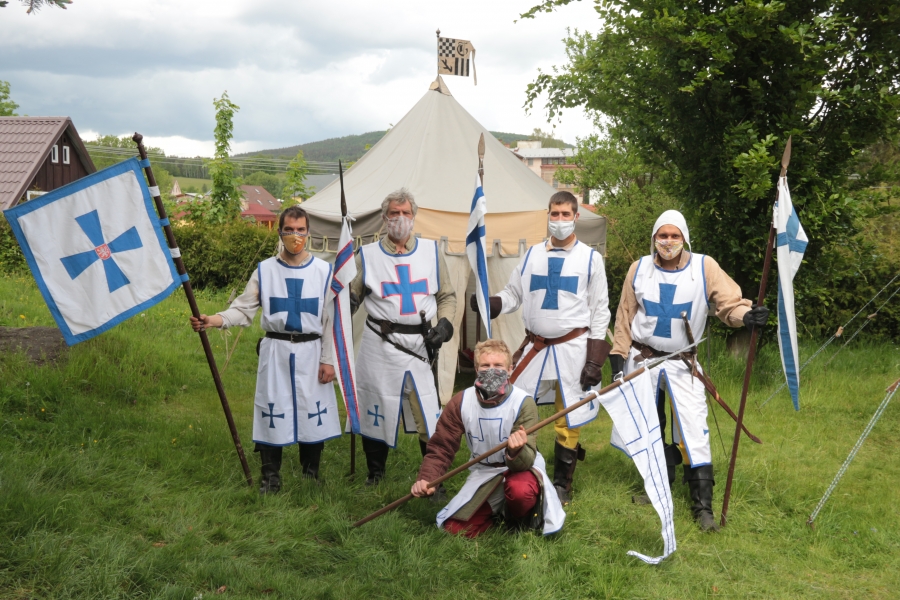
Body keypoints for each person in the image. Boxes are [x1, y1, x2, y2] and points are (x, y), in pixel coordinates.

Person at [608, 209, 769, 531]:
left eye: (674, 235)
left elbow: (728, 304)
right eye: (662, 235)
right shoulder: (638, 269)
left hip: (683, 362)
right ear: (654, 238)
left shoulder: (703, 267)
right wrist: (617, 357)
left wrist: (747, 317)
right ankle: (657, 487)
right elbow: (625, 315)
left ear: (684, 238)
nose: (668, 241)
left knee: (694, 428)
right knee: (649, 425)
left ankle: (702, 507)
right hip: (642, 360)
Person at [190, 206, 340, 494]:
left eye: (300, 230)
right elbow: (242, 309)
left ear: (308, 232)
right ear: (280, 232)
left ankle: (310, 475)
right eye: (289, 230)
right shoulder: (265, 270)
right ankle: (270, 479)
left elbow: (331, 321)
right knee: (273, 409)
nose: (295, 236)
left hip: (311, 351)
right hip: (276, 351)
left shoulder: (323, 272)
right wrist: (213, 320)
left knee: (313, 409)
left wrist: (328, 359)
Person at [474, 191, 610, 504]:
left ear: (576, 217)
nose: (559, 220)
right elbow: (513, 294)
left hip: (573, 348)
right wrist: (492, 303)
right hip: (535, 346)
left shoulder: (590, 259)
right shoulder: (532, 255)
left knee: (568, 414)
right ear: (548, 215)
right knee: (517, 406)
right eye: (555, 214)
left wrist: (594, 360)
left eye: (565, 214)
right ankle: (518, 469)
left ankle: (562, 484)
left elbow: (600, 311)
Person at [350, 188, 456, 486]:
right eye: (394, 213)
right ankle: (375, 475)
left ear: (414, 216)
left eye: (405, 213)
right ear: (384, 218)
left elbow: (446, 296)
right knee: (375, 407)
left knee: (428, 412)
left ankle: (433, 479)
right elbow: (352, 297)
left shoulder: (431, 252)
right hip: (379, 343)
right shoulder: (367, 255)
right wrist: (342, 304)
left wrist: (444, 326)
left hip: (419, 345)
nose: (400, 218)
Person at [412, 339, 565, 537]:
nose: (491, 370)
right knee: (455, 529)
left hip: (520, 471)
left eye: (498, 365)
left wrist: (515, 450)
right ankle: (496, 514)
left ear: (509, 369)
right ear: (476, 369)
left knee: (519, 492)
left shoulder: (522, 402)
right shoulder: (460, 402)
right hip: (484, 472)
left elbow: (526, 459)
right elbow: (442, 446)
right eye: (485, 365)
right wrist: (427, 478)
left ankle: (518, 520)